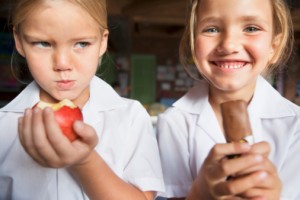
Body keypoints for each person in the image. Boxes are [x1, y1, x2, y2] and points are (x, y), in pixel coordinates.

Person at [0, 0, 164, 199]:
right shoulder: (3, 125)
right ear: (19, 41)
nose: (62, 64)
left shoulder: (130, 118)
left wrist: (84, 161)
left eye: (81, 44)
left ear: (103, 42)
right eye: (43, 43)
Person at [157, 0, 300, 199]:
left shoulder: (296, 127)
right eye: (212, 29)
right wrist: (199, 194)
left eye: (251, 28)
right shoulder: (174, 122)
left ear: (273, 48)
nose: (229, 45)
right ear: (193, 43)